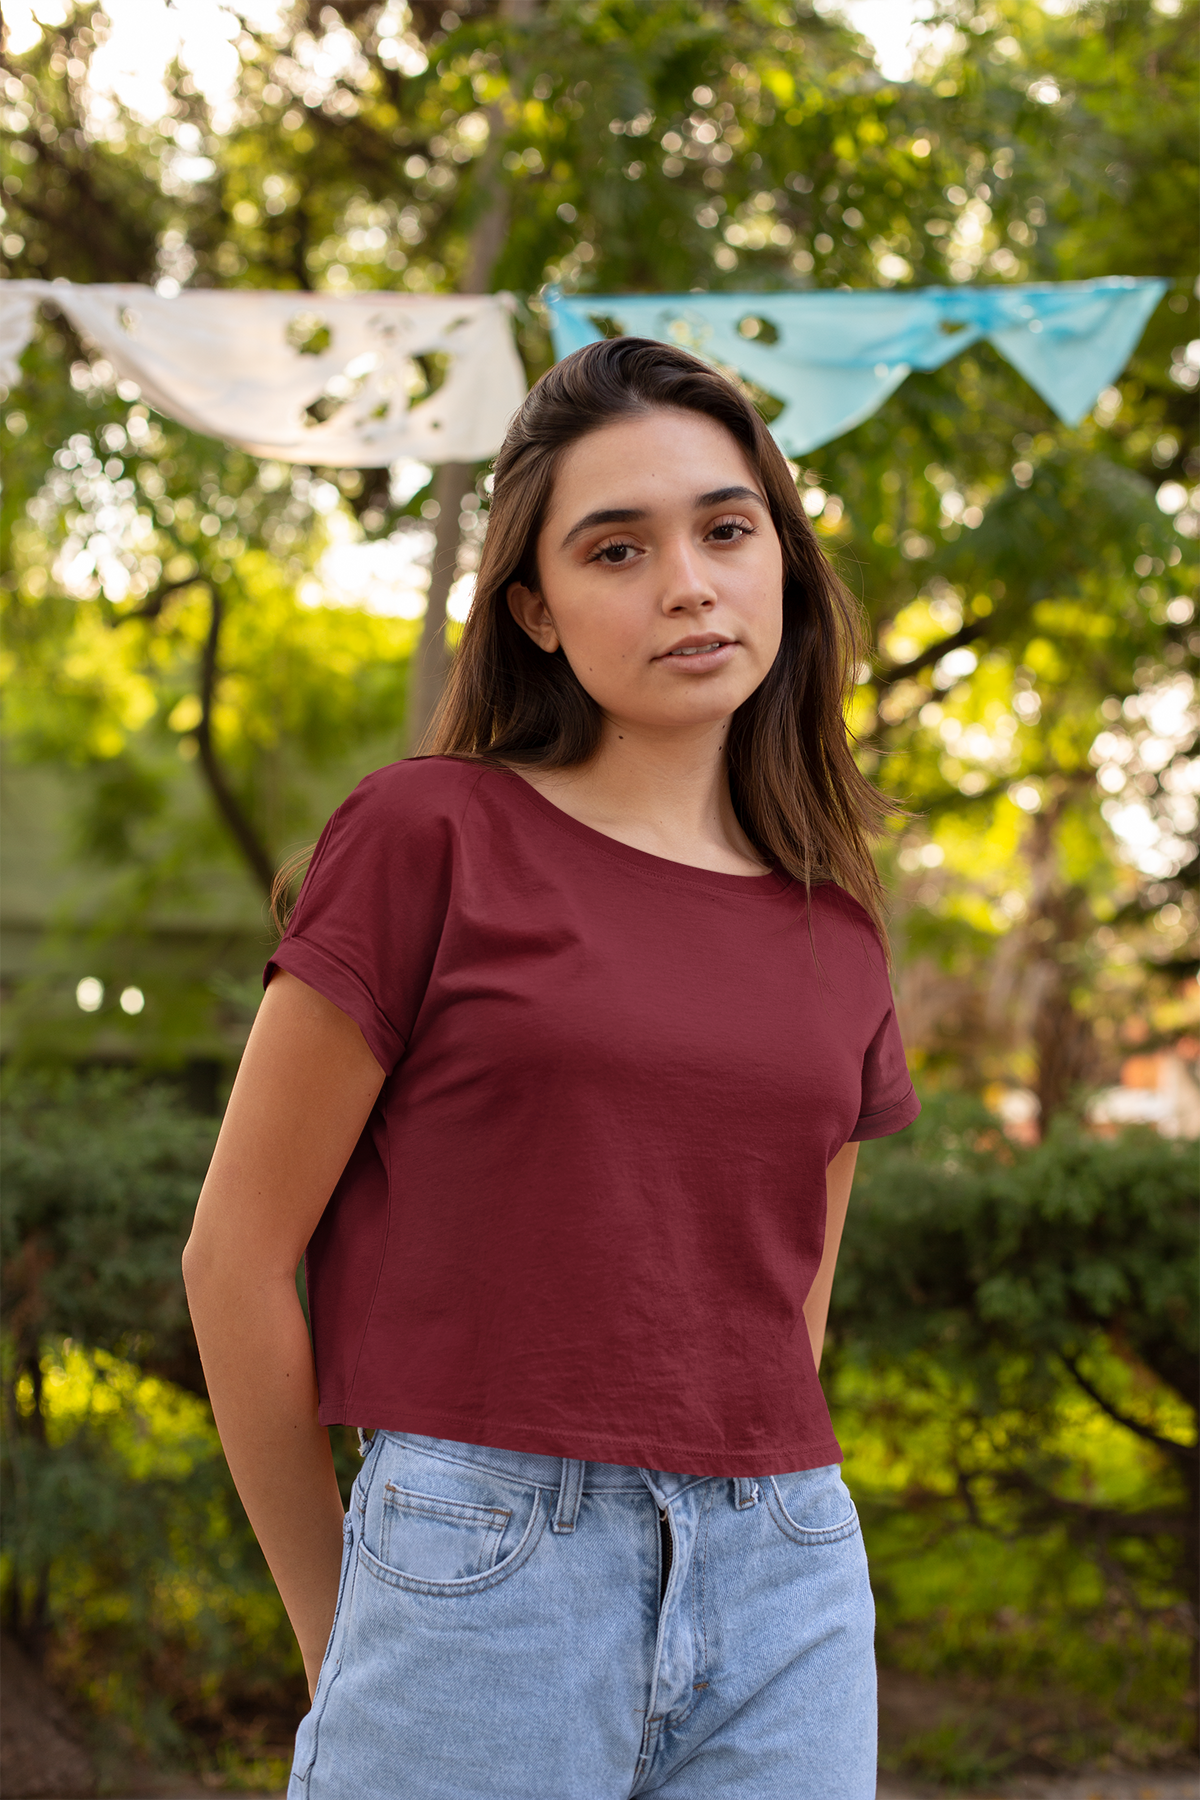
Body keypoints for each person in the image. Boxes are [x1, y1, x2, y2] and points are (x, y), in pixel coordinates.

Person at [182, 336, 920, 1800]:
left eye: (725, 528)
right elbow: (235, 1258)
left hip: (789, 1579)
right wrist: (346, 1623)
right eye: (616, 548)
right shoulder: (428, 838)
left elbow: (789, 1302)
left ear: (779, 554)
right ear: (534, 608)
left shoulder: (834, 926)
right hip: (477, 1566)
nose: (689, 584)